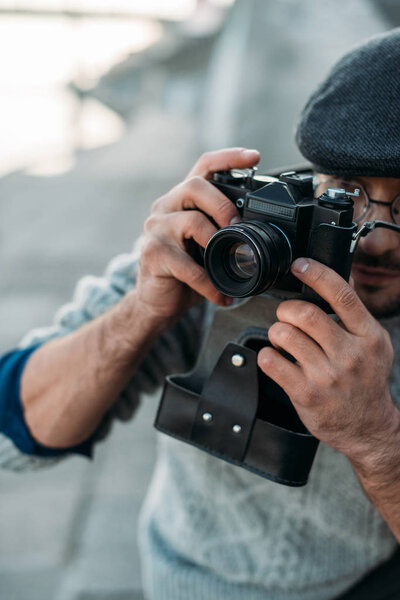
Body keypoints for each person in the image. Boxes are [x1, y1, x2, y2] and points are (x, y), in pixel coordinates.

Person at [1, 29, 400, 600]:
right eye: (348, 192)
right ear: (313, 179)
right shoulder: (231, 252)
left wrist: (377, 438)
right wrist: (142, 312)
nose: (376, 241)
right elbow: (13, 435)